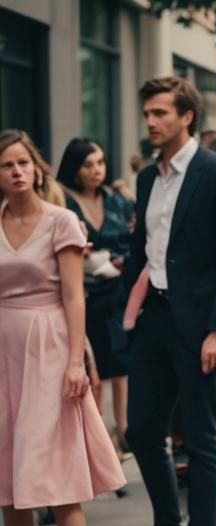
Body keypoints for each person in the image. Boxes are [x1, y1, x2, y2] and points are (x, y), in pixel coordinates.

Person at [120, 75, 216, 526]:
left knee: (201, 439)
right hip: (154, 320)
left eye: (160, 113)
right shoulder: (148, 180)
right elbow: (145, 247)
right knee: (142, 431)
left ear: (186, 116)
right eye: (147, 113)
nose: (151, 122)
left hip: (200, 326)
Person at [0, 129, 126, 526]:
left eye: (21, 162)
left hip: (50, 347)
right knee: (9, 486)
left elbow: (75, 298)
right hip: (4, 352)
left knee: (57, 479)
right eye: (5, 165)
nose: (15, 171)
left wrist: (76, 360)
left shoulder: (61, 221)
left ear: (38, 168)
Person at [56, 137, 135, 458]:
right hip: (81, 292)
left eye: (100, 162)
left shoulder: (117, 201)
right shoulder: (62, 200)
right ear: (75, 168)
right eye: (88, 164)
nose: (96, 170)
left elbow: (135, 237)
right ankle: (97, 436)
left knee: (120, 362)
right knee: (92, 366)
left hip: (117, 291)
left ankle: (123, 431)